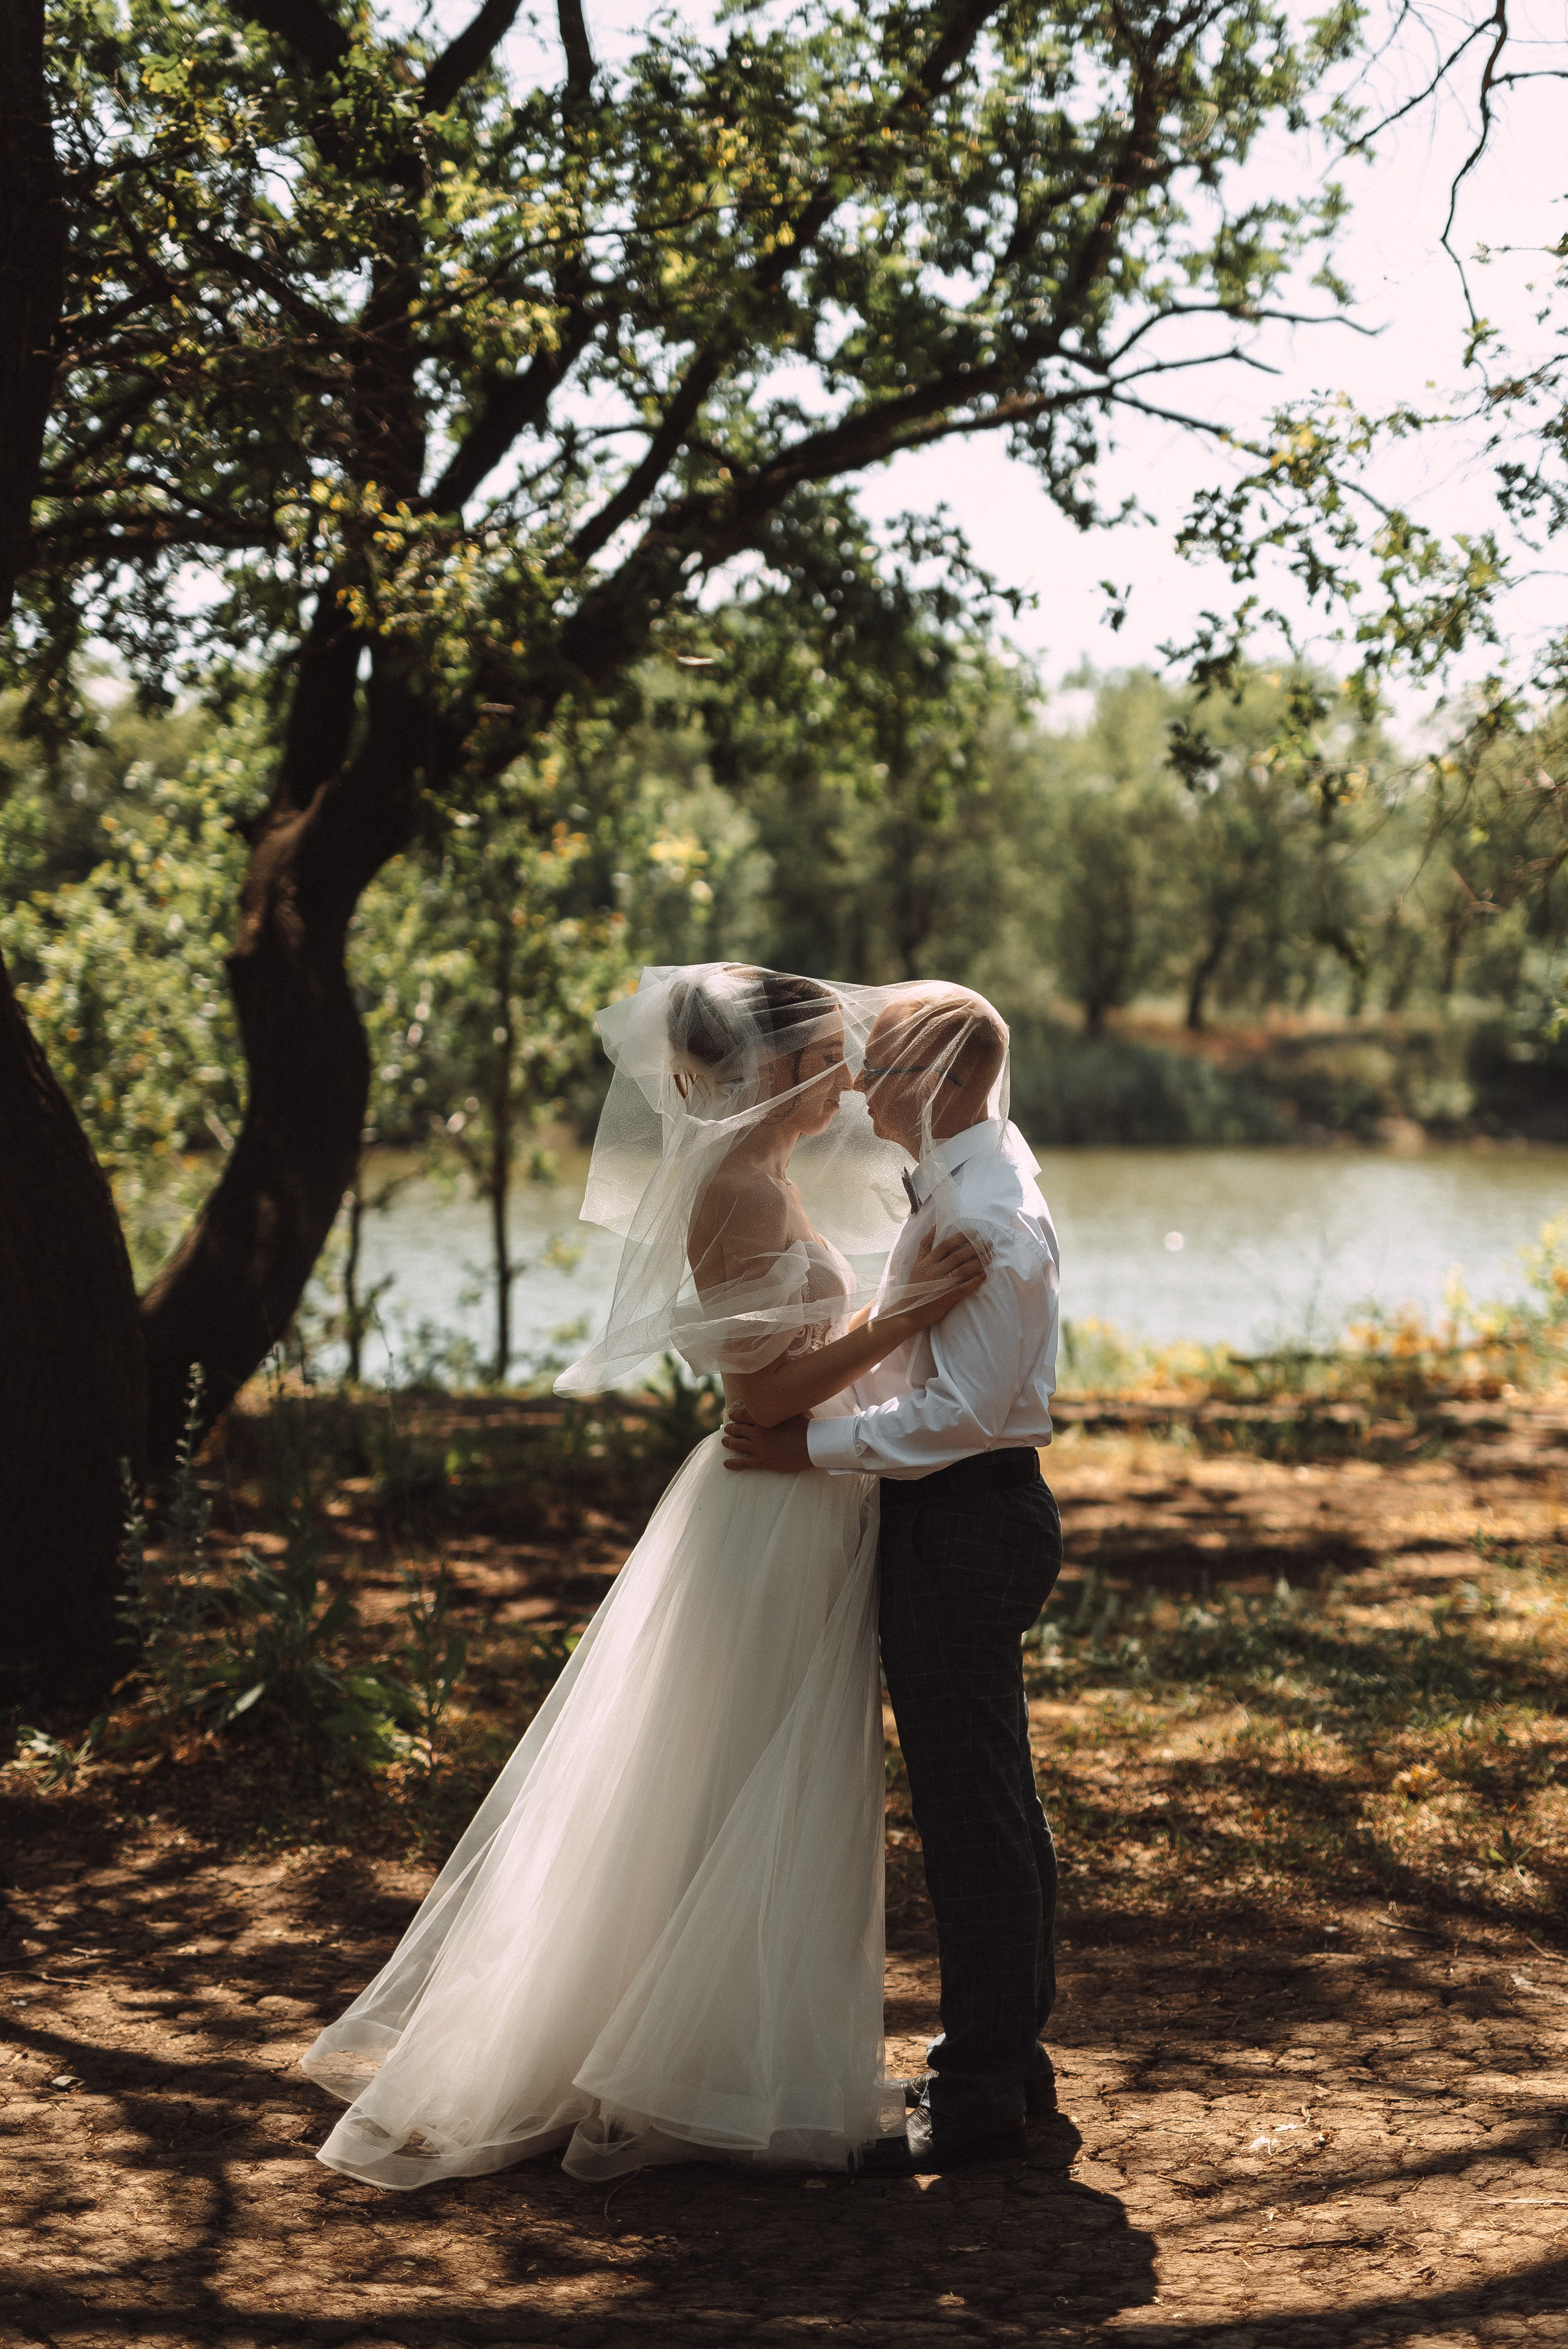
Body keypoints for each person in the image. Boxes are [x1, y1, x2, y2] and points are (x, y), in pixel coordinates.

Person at [300, 964, 987, 2186]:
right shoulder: (731, 1185)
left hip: (798, 1499)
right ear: (776, 1069)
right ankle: (678, 2072)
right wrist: (904, 1317)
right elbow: (756, 1393)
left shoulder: (759, 1175)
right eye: (835, 1055)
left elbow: (790, 1365)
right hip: (763, 1513)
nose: (851, 1077)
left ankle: (728, 2058)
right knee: (734, 1775)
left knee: (754, 1776)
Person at [723, 982, 1063, 2177]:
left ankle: (979, 2085)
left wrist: (798, 1443)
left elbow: (957, 1416)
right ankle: (1008, 2060)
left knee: (970, 1814)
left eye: (878, 1068)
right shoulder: (970, 1171)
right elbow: (924, 1375)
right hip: (955, 1516)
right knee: (988, 1798)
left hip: (962, 1520)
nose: (857, 1087)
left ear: (937, 1085)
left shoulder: (990, 1220)